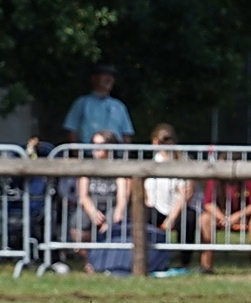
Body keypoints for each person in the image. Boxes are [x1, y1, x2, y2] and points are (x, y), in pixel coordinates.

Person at [73, 131, 131, 273]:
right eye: (94, 144)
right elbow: (83, 196)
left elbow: (123, 195)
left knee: (113, 225)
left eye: (101, 144)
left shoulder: (119, 165)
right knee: (77, 226)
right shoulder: (87, 165)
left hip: (112, 203)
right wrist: (93, 212)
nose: (96, 148)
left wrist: (118, 211)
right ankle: (89, 261)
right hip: (92, 205)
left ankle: (106, 263)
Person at [142, 124, 192, 270]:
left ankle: (184, 261)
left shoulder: (181, 162)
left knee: (188, 219)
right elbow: (147, 189)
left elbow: (184, 195)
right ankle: (152, 259)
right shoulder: (153, 161)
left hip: (177, 208)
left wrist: (171, 218)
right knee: (145, 218)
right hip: (155, 207)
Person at [63, 63, 134, 143]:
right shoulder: (81, 103)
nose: (109, 79)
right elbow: (71, 130)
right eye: (105, 75)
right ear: (94, 78)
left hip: (114, 154)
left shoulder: (119, 106)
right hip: (86, 153)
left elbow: (126, 134)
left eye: (112, 76)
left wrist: (125, 155)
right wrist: (76, 153)